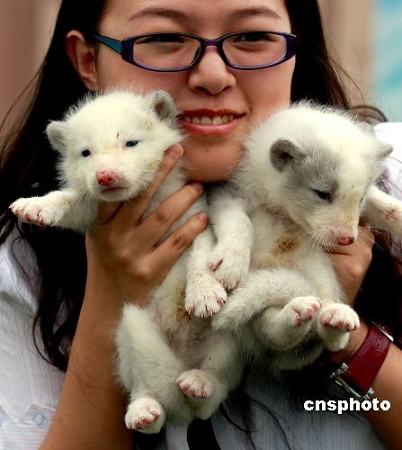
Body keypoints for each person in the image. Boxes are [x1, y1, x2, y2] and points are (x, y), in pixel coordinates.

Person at [0, 0, 401, 449]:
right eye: (163, 38)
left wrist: (352, 342)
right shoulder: (18, 262)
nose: (213, 75)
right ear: (88, 61)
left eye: (252, 36)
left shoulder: (387, 176)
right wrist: (109, 301)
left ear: (295, 50)